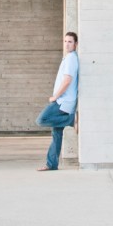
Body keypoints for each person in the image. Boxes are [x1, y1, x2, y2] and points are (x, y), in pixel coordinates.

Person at [36, 32, 79, 171]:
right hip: (63, 101)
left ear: (76, 44)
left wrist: (55, 97)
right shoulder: (68, 58)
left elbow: (67, 81)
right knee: (56, 134)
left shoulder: (72, 58)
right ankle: (51, 164)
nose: (67, 44)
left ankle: (71, 120)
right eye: (65, 41)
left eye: (70, 42)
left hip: (63, 102)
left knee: (41, 119)